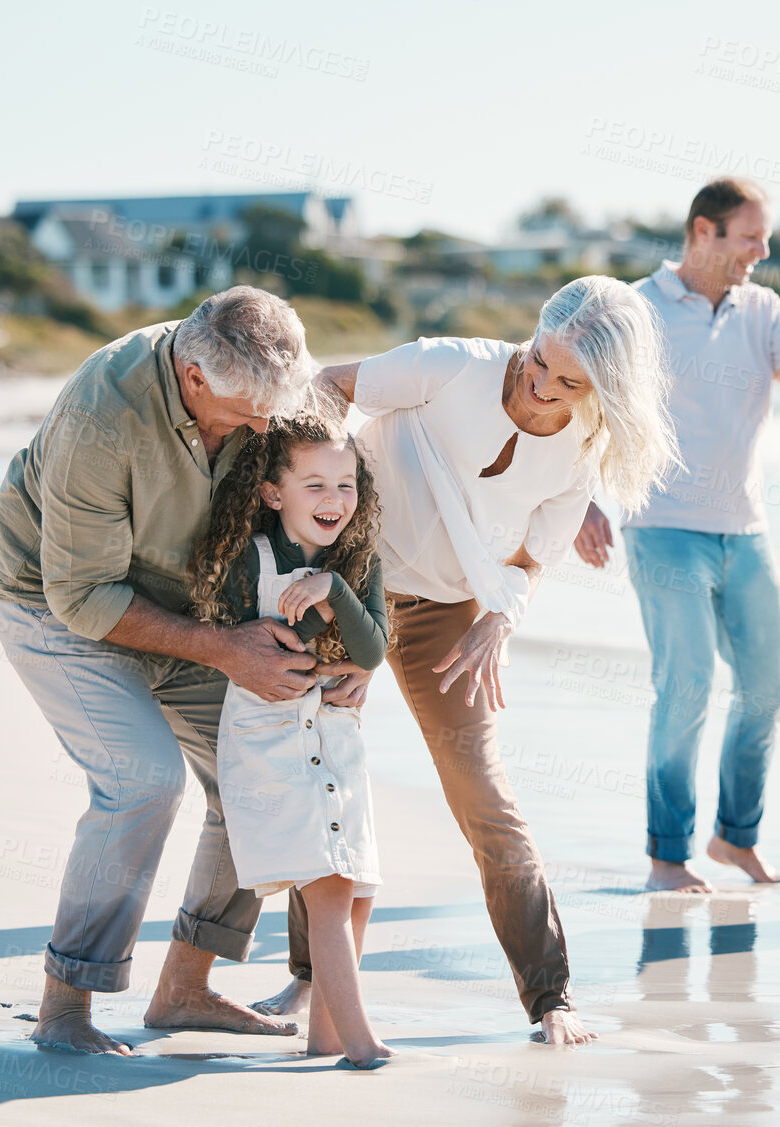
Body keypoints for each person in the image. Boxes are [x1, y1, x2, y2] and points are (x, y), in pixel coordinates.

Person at [254, 276, 678, 1044]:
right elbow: (330, 384)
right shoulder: (455, 365)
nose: (542, 385)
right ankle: (310, 978)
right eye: (540, 361)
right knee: (325, 766)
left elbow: (527, 561)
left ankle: (551, 996)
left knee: (483, 796)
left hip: (449, 614)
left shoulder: (582, 450)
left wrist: (499, 622)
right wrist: (320, 515)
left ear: (605, 391)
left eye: (569, 383)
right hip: (349, 585)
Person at [0, 286, 332, 1055]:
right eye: (249, 412)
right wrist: (225, 646)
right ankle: (66, 1005)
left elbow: (344, 492)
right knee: (142, 780)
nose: (267, 427)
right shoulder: (100, 414)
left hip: (185, 605)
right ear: (195, 377)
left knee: (263, 771)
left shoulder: (264, 394)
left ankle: (185, 989)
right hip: (54, 602)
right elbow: (81, 595)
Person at [576, 176, 780, 893]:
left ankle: (736, 838)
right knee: (688, 684)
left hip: (745, 530)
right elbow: (577, 402)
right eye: (750, 237)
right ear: (703, 231)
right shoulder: (635, 308)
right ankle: (667, 855)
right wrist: (580, 499)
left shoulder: (761, 310)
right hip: (662, 524)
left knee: (766, 688)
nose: (762, 252)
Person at [186, 403, 392, 1066]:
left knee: (358, 886)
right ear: (275, 493)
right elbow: (275, 648)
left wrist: (332, 589)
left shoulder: (357, 562)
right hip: (271, 735)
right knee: (329, 886)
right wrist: (324, 643)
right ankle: (363, 1044)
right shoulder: (250, 559)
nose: (335, 500)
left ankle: (326, 1038)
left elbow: (375, 648)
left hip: (336, 737)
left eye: (347, 484)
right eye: (315, 485)